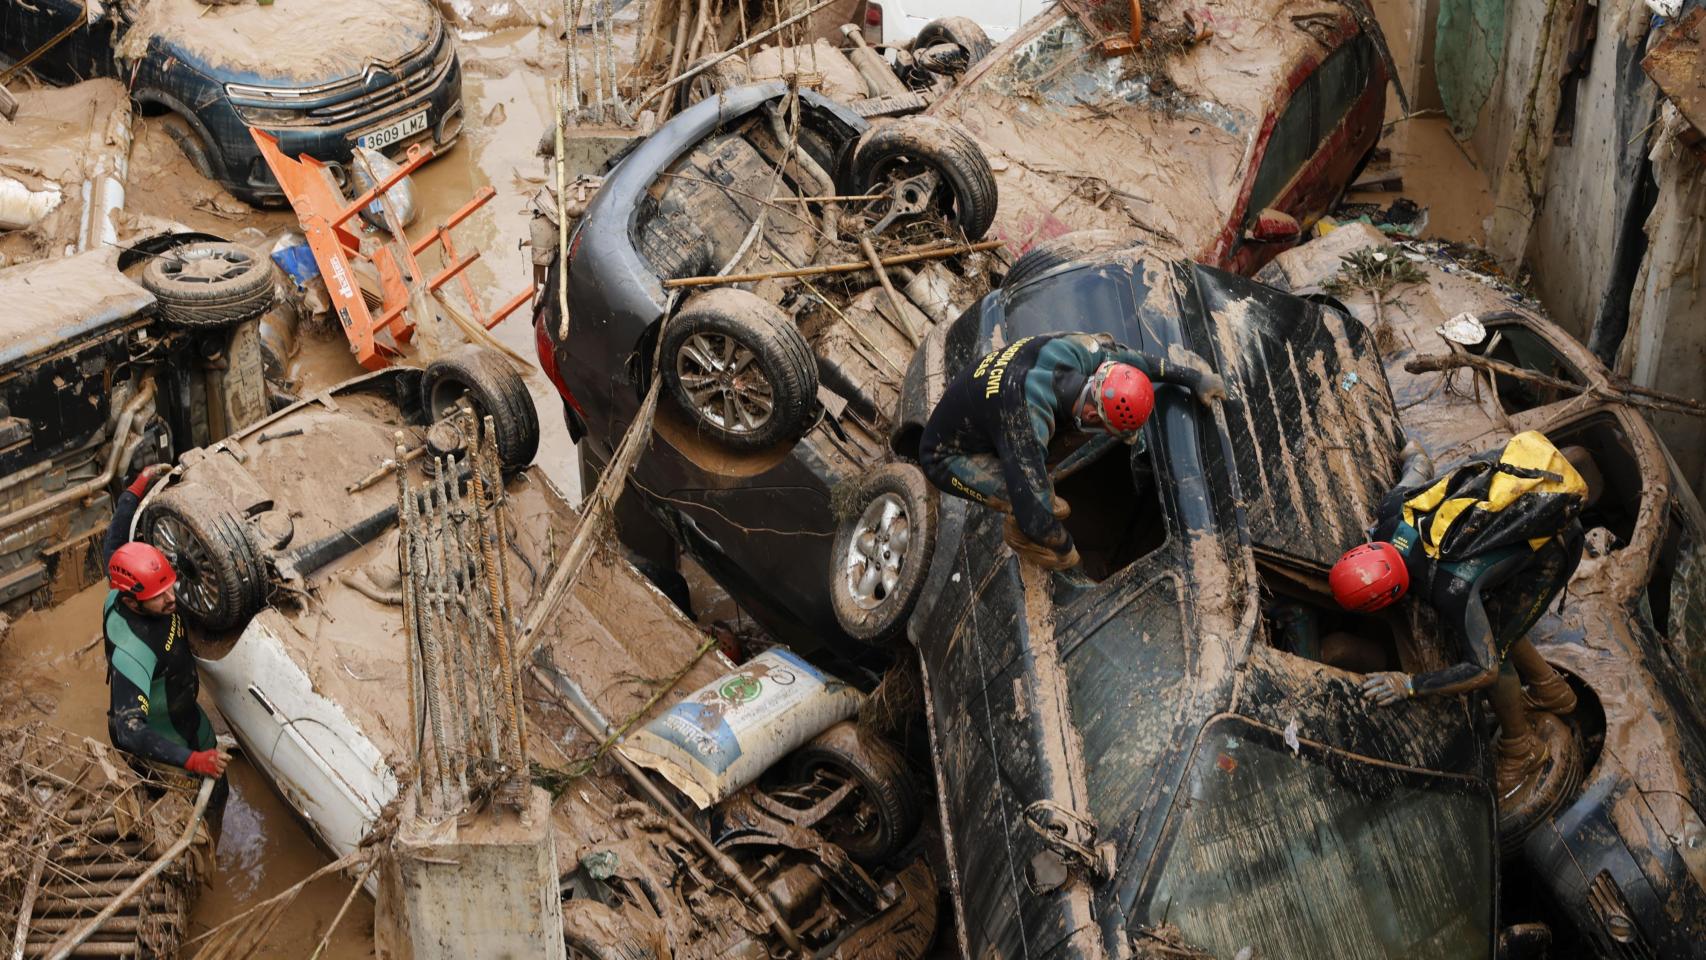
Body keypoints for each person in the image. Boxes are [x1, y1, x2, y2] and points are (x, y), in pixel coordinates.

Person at [1330, 432, 1597, 805]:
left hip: (1553, 548)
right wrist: (1408, 448)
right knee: (1493, 623)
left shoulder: (1450, 589)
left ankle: (1522, 750)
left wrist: (1410, 685)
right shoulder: (1392, 513)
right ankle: (1550, 690)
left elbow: (1483, 669)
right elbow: (1418, 463)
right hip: (1510, 532)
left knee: (1496, 651)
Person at [919, 332, 1226, 570]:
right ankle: (1021, 538)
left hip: (986, 405)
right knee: (1037, 505)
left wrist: (1191, 377)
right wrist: (1070, 554)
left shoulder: (1082, 351)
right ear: (1093, 416)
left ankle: (1019, 467)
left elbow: (1135, 361)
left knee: (1038, 480)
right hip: (947, 454)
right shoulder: (1026, 422)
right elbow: (1035, 519)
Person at [101, 465, 230, 828]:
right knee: (196, 812)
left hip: (186, 713)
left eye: (170, 587)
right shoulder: (133, 650)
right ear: (131, 601)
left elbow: (115, 537)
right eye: (160, 598)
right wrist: (192, 761)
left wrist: (136, 487)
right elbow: (129, 730)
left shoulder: (121, 580)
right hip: (163, 737)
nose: (173, 599)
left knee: (221, 791)